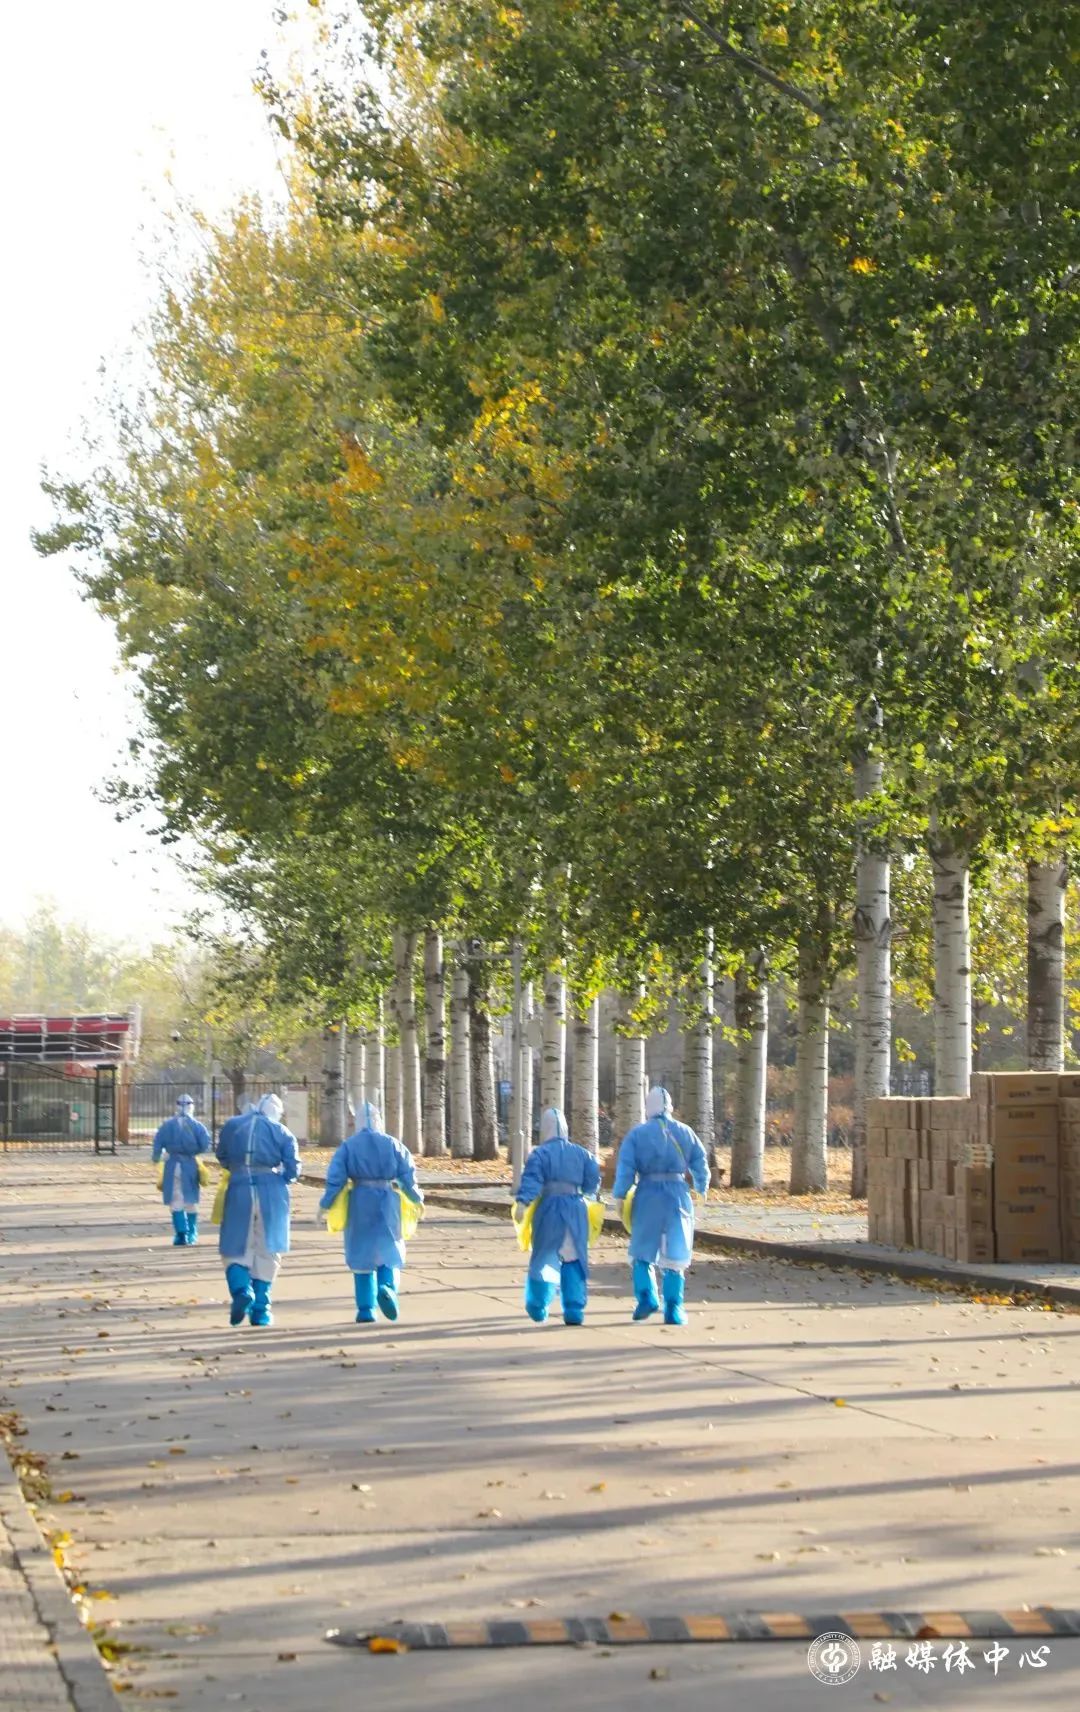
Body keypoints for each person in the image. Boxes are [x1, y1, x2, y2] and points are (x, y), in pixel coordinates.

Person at [318, 1101, 423, 1323]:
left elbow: (336, 1179)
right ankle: (387, 1287)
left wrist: (326, 1204)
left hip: (359, 1201)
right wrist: (417, 1199)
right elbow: (407, 1177)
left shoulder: (348, 1147)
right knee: (389, 1248)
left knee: (361, 1255)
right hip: (388, 1200)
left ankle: (366, 1310)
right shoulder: (393, 1145)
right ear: (379, 1121)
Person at [612, 1085, 709, 1325]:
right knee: (676, 1250)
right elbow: (700, 1162)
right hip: (678, 1196)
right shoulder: (685, 1132)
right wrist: (701, 1187)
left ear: (648, 1107)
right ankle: (674, 1308)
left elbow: (626, 1168)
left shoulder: (637, 1135)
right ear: (670, 1106)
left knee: (642, 1250)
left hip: (647, 1195)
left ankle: (646, 1297)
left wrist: (620, 1195)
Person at [215, 1092, 301, 1328]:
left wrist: (237, 1168)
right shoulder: (282, 1132)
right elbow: (293, 1169)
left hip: (239, 1187)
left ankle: (241, 1290)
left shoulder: (233, 1125)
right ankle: (261, 1310)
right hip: (272, 1191)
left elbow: (222, 1155)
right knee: (268, 1248)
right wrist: (283, 1178)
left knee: (235, 1244)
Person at [514, 1107, 602, 1326]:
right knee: (574, 1258)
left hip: (549, 1210)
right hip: (576, 1209)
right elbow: (592, 1183)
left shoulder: (539, 1154)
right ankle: (574, 1309)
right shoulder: (582, 1154)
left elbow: (532, 1180)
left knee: (544, 1256)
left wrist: (523, 1202)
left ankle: (538, 1305)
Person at [151, 1095, 211, 1246]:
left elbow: (157, 1144)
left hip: (172, 1165)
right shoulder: (197, 1126)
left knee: (175, 1198)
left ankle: (181, 1233)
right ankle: (191, 1233)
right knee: (190, 1198)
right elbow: (205, 1144)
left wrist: (156, 1158)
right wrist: (194, 1151)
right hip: (190, 1165)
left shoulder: (167, 1125)